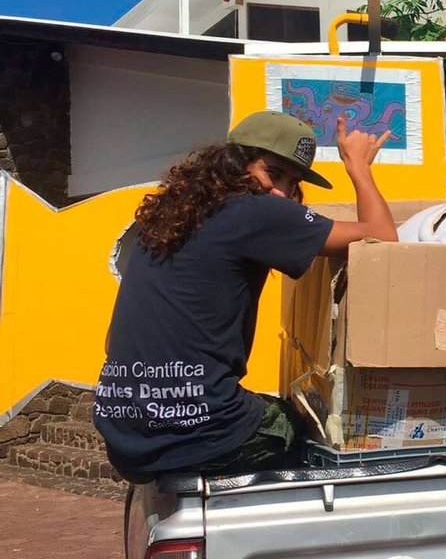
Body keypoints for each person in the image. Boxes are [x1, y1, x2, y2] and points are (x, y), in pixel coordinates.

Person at [94, 109, 396, 481]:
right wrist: (359, 167)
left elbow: (112, 340)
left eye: (292, 182)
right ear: (235, 163)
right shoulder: (255, 211)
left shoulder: (164, 217)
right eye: (273, 172)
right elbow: (382, 238)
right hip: (198, 435)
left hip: (122, 432)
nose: (281, 191)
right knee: (301, 429)